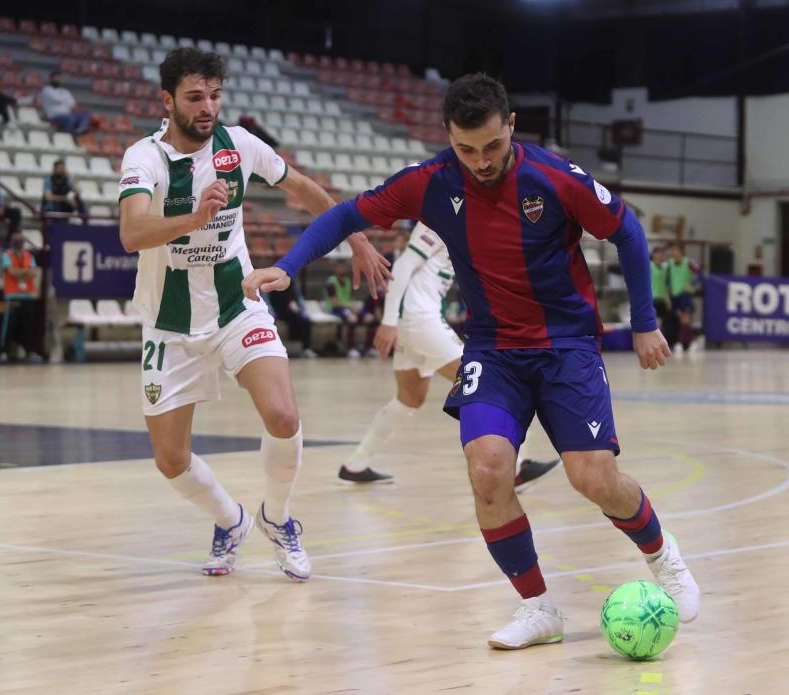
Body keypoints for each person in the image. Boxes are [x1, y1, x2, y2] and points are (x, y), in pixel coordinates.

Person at [243, 72, 699, 649]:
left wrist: (645, 323)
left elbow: (628, 232)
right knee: (488, 471)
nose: (481, 161)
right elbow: (345, 217)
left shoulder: (555, 178)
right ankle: (537, 609)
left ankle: (665, 559)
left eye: (492, 146)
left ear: (511, 126)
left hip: (566, 347)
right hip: (492, 347)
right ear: (447, 137)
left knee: (594, 478)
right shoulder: (430, 182)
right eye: (466, 149)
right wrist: (289, 263)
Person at [117, 47, 389, 579]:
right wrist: (198, 216)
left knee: (284, 415)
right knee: (171, 460)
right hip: (169, 324)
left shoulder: (238, 144)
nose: (208, 108)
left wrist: (354, 237)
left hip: (236, 303)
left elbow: (305, 189)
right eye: (195, 97)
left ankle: (278, 518)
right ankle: (230, 520)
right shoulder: (143, 158)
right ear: (167, 100)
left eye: (215, 96)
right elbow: (132, 232)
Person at [339, 220, 562, 489]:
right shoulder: (437, 217)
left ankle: (356, 464)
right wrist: (388, 321)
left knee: (409, 398)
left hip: (415, 320)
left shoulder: (466, 224)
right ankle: (514, 469)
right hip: (419, 319)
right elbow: (404, 264)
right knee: (486, 384)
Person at [0, 230, 43, 363]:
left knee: (28, 326)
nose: (19, 242)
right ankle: (4, 351)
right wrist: (25, 271)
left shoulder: (29, 255)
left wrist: (21, 272)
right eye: (16, 240)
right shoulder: (7, 255)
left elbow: (33, 273)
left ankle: (30, 351)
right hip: (12, 295)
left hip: (27, 295)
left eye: (21, 240)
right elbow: (11, 272)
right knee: (9, 326)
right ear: (12, 242)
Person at [325, 258, 377, 357]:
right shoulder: (331, 282)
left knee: (369, 318)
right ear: (335, 268)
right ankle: (350, 348)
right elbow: (334, 302)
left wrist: (355, 307)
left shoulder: (348, 281)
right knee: (352, 319)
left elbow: (352, 299)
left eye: (344, 266)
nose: (343, 268)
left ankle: (368, 348)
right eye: (340, 266)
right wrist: (350, 306)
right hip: (336, 309)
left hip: (348, 307)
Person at [267, 275, 317, 359]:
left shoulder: (292, 283)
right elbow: (275, 301)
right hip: (281, 311)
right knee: (302, 321)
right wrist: (289, 304)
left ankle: (306, 349)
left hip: (293, 311)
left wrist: (298, 308)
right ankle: (274, 350)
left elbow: (297, 299)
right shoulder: (275, 284)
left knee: (306, 320)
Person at [666, 242, 699, 353]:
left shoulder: (689, 262)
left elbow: (700, 274)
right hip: (674, 295)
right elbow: (668, 279)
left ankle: (679, 343)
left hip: (684, 294)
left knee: (685, 319)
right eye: (672, 250)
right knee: (683, 321)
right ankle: (693, 342)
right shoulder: (669, 264)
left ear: (681, 251)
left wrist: (692, 284)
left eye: (676, 250)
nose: (673, 252)